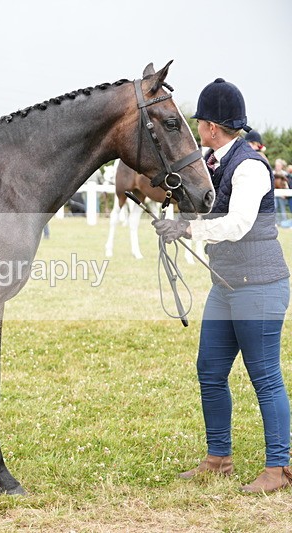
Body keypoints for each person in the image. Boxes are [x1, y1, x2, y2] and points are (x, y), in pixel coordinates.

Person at [152, 78, 291, 493]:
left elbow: (238, 223)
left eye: (200, 124)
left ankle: (280, 466)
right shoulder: (212, 161)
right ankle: (218, 458)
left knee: (264, 375)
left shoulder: (249, 165)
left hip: (259, 285)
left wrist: (188, 229)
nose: (198, 130)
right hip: (226, 285)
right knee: (210, 371)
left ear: (212, 126)